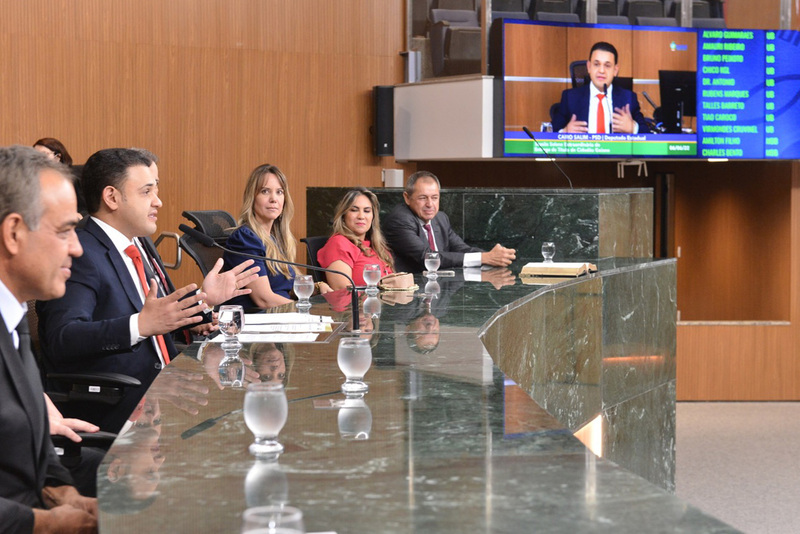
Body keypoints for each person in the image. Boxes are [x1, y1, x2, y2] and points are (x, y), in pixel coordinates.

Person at [37, 148, 259, 434]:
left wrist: (203, 300)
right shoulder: (82, 252)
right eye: (146, 192)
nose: (158, 201)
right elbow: (64, 338)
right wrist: (138, 326)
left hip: (168, 392)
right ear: (112, 197)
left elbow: (157, 315)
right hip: (122, 407)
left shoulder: (139, 243)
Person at [0, 145, 98, 532]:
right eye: (65, 231)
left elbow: (28, 451)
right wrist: (42, 523)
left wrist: (64, 493)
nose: (77, 247)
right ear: (13, 233)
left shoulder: (14, 314)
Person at [224, 164, 329, 309]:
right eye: (265, 191)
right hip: (258, 318)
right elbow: (264, 299)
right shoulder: (245, 238)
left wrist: (317, 287)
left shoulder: (275, 239)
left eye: (279, 192)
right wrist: (309, 311)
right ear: (252, 197)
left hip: (280, 315)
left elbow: (286, 289)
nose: (274, 199)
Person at [383, 171, 516, 273]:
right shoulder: (399, 219)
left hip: (439, 288)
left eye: (434, 197)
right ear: (407, 198)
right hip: (410, 294)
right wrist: (484, 258)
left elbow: (462, 249)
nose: (430, 204)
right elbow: (427, 258)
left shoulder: (440, 218)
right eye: (423, 198)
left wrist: (492, 256)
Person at [551, 41, 649, 135]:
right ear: (589, 67)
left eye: (607, 66)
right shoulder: (570, 98)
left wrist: (633, 128)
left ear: (615, 70)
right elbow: (551, 132)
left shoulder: (628, 98)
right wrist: (564, 132)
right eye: (596, 64)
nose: (601, 70)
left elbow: (648, 135)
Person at [318, 187, 394, 290]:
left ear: (373, 217)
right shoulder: (338, 243)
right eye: (354, 210)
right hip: (359, 300)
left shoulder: (378, 247)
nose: (361, 216)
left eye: (367, 211)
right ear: (343, 216)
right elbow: (342, 290)